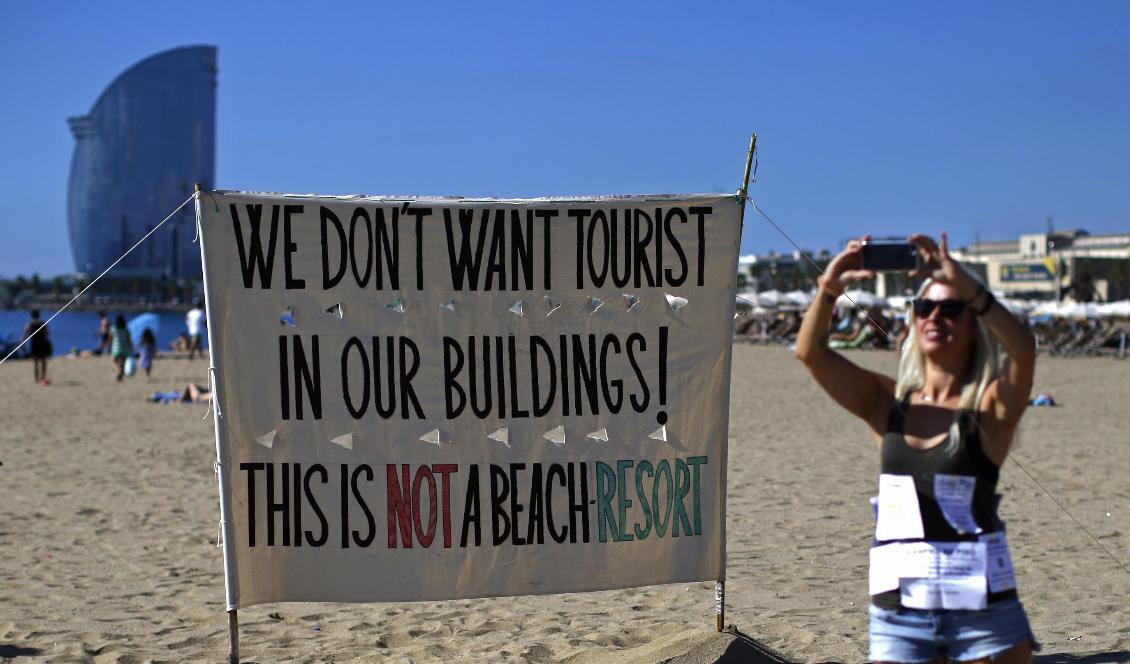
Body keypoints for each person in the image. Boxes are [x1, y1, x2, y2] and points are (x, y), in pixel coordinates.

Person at [795, 233, 1038, 664]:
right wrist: (830, 287)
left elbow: (1022, 352)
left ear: (973, 324)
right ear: (912, 321)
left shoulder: (989, 410)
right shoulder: (887, 404)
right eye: (925, 308)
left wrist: (971, 289)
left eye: (951, 309)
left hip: (981, 608)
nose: (935, 317)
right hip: (899, 610)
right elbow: (809, 353)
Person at [23, 309, 52, 385]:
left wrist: (21, 345)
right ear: (39, 315)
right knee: (43, 362)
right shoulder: (43, 324)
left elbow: (24, 336)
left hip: (34, 345)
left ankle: (36, 380)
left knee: (35, 363)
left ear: (31, 315)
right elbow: (47, 334)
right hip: (42, 344)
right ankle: (43, 377)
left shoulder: (28, 325)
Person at [109, 315, 133, 381]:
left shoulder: (113, 328)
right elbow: (129, 339)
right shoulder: (126, 329)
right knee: (123, 363)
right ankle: (120, 374)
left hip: (116, 348)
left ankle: (119, 372)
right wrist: (131, 347)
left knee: (114, 361)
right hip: (126, 348)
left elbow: (110, 337)